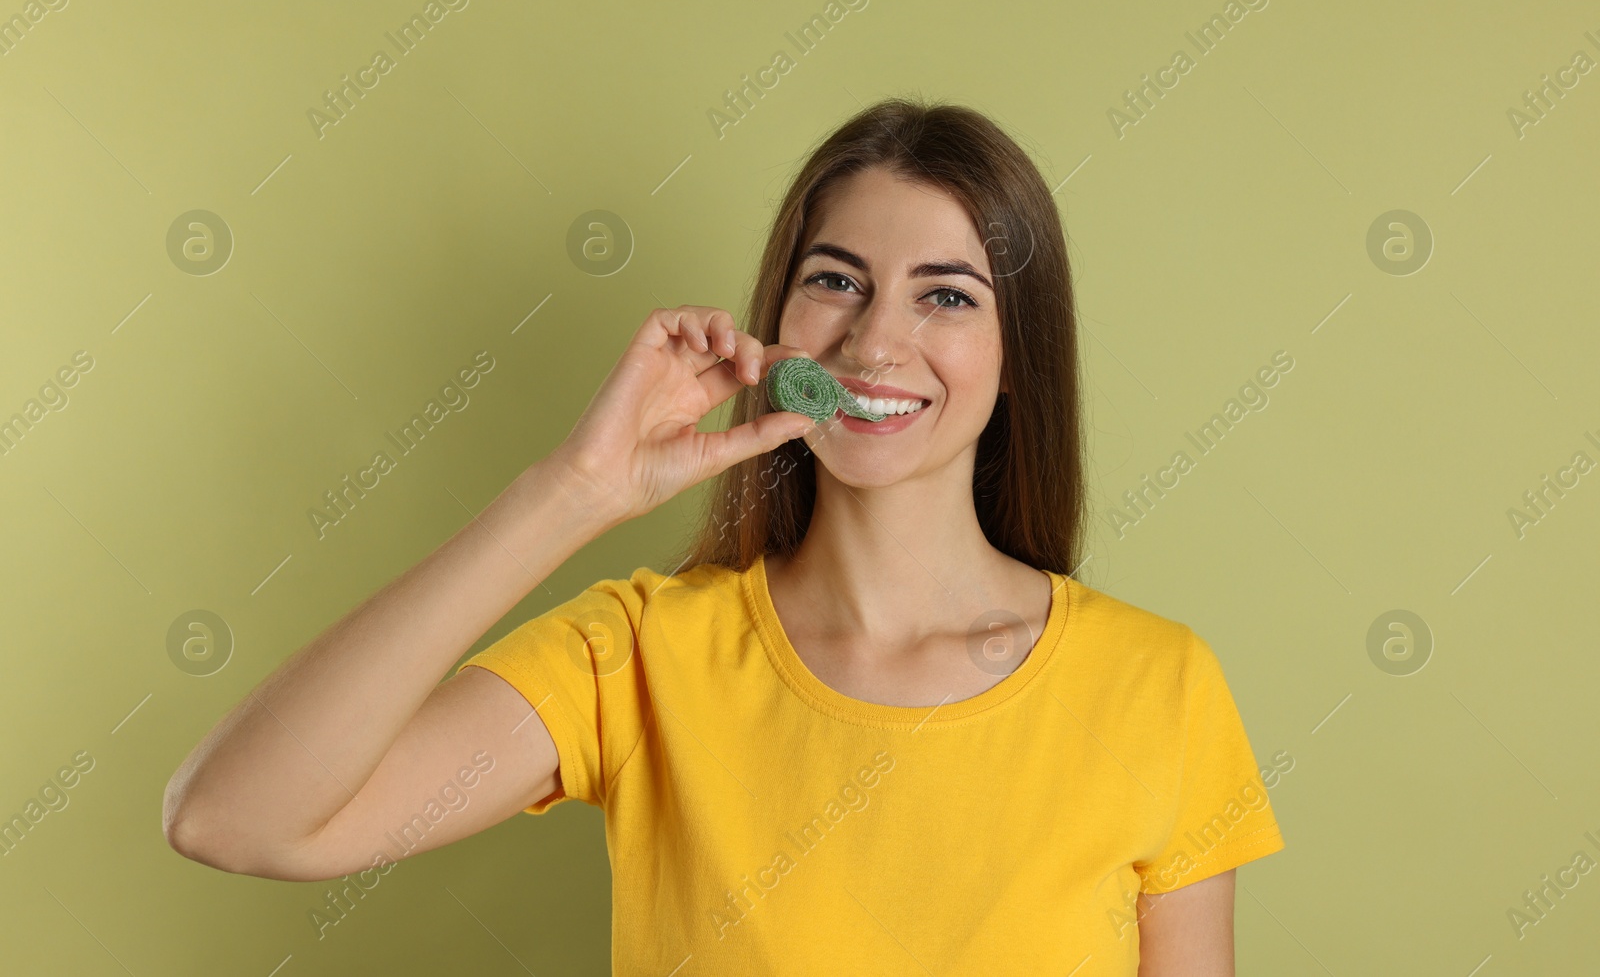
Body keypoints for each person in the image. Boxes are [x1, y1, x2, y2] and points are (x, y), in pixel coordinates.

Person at [163, 97, 1284, 975]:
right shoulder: (640, 654)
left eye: (946, 296)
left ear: (1016, 352)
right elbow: (234, 816)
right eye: (835, 280)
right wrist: (574, 489)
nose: (875, 342)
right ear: (779, 319)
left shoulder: (1159, 685)